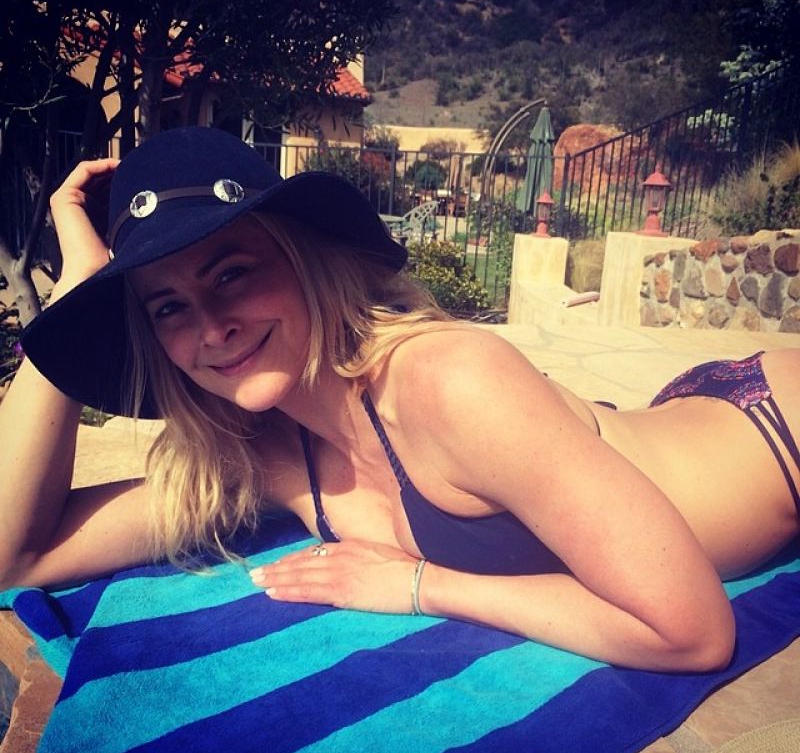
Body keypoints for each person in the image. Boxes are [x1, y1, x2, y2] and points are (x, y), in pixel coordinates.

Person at [2, 127, 798, 674]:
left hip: (769, 430)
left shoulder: (447, 383)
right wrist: (78, 289)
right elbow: (16, 557)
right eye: (168, 306)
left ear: (303, 258)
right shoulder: (267, 455)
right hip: (667, 424)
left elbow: (691, 631)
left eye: (232, 273)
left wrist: (420, 586)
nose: (211, 327)